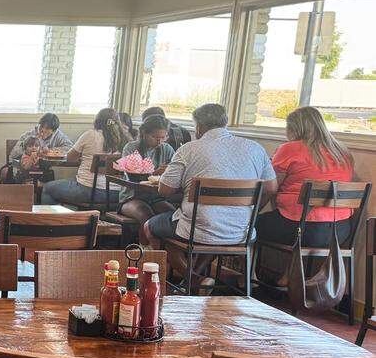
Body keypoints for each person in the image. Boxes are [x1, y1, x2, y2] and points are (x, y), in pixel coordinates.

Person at [145, 102, 277, 249]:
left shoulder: (188, 149)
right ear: (225, 123)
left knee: (149, 226)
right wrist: (252, 213)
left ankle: (186, 272)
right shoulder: (255, 148)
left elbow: (165, 190)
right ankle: (197, 271)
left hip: (195, 232)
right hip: (242, 232)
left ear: (199, 127)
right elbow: (271, 188)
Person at [257, 107, 354, 248]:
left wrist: (252, 212)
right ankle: (303, 271)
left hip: (303, 227)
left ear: (293, 129)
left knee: (247, 228)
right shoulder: (342, 152)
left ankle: (250, 271)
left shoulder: (290, 149)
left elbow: (271, 187)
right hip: (342, 230)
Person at [40, 107, 128, 207]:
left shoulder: (90, 135)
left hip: (90, 191)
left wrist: (84, 156)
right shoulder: (126, 140)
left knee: (47, 188)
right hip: (117, 194)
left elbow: (70, 158)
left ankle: (55, 222)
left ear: (97, 121)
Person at [116, 113, 176, 229]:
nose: (159, 142)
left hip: (156, 197)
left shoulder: (167, 149)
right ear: (143, 133)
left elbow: (175, 172)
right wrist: (155, 173)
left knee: (173, 215)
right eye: (155, 137)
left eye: (163, 138)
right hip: (131, 197)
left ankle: (161, 246)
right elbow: (132, 177)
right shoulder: (131, 148)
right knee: (146, 215)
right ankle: (144, 246)